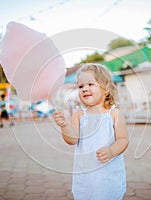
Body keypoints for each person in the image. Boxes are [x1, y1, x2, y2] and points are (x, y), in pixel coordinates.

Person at [54, 63, 129, 200]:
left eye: (90, 84)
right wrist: (64, 126)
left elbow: (123, 140)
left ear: (105, 89)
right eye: (81, 86)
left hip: (108, 174)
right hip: (85, 175)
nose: (84, 89)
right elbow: (72, 140)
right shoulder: (79, 115)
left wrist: (112, 151)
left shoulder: (114, 114)